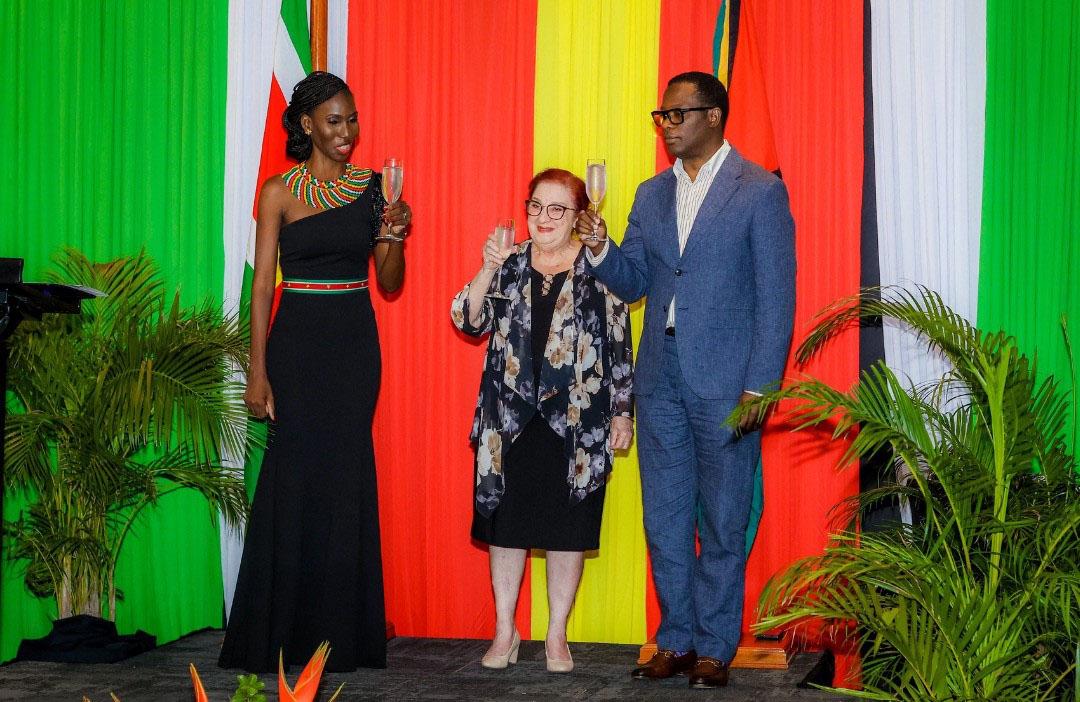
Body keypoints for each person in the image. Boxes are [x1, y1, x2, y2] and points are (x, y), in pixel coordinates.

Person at [576, 71, 795, 689]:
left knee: (724, 519)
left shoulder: (758, 192)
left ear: (715, 116)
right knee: (665, 516)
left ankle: (716, 647)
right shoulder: (649, 194)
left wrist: (762, 387)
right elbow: (633, 281)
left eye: (678, 114)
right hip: (661, 379)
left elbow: (777, 301)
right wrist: (599, 248)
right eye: (662, 116)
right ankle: (674, 638)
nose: (667, 125)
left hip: (730, 385)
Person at [218, 71, 412, 673]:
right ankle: (278, 633)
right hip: (296, 347)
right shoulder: (278, 191)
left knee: (346, 479)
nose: (348, 132)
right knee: (292, 479)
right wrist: (256, 370)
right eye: (335, 121)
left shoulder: (375, 187)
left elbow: (388, 282)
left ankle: (342, 637)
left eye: (352, 119)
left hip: (354, 346)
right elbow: (260, 293)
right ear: (307, 125)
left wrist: (396, 236)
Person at [451, 169, 634, 673]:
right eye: (536, 207)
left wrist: (622, 411)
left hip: (577, 421)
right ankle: (505, 631)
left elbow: (620, 341)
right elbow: (467, 320)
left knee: (566, 530)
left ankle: (556, 635)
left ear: (578, 217)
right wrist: (486, 268)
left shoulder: (598, 266)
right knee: (506, 528)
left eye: (557, 209)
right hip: (507, 418)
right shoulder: (507, 265)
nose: (544, 218)